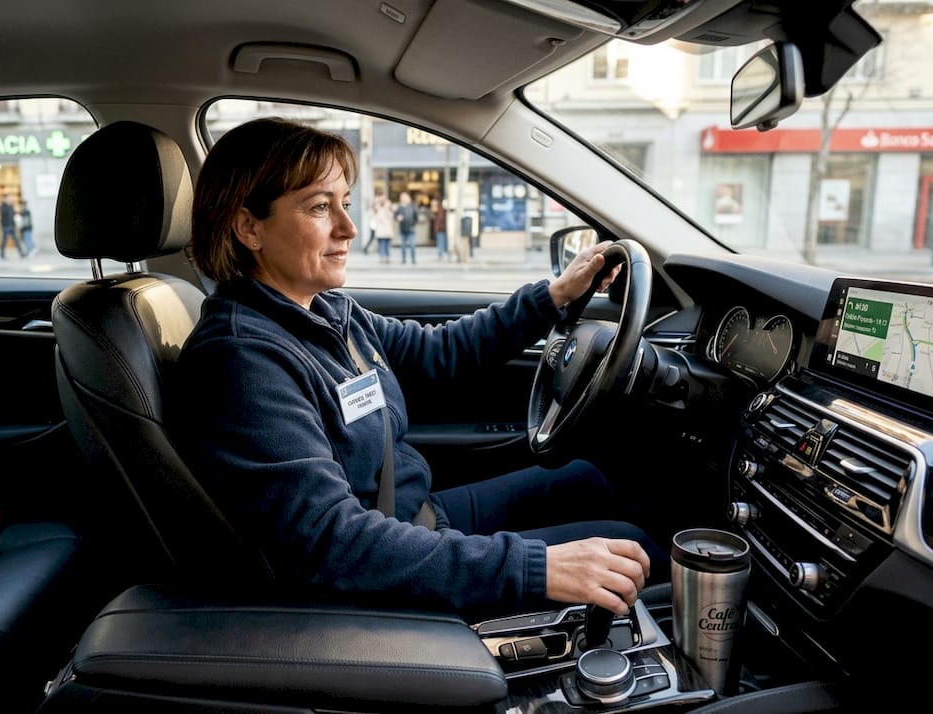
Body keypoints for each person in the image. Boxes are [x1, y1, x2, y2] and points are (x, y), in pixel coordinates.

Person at [179, 117, 665, 625]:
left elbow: (438, 351)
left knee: (586, 479)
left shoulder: (325, 312)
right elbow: (332, 541)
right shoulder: (242, 360)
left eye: (345, 204)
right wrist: (535, 569)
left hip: (418, 517)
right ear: (248, 227)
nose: (348, 227)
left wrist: (552, 297)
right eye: (320, 207)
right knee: (631, 550)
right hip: (381, 567)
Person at [0, 191, 25, 259]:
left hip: (12, 225)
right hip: (5, 226)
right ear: (6, 198)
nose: (11, 199)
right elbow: (3, 214)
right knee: (4, 241)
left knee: (16, 240)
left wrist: (17, 213)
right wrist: (8, 205)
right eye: (9, 197)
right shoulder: (3, 206)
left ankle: (21, 253)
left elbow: (13, 214)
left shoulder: (11, 205)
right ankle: (2, 254)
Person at [394, 190, 418, 264]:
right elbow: (395, 216)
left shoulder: (413, 206)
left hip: (411, 229)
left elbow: (416, 217)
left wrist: (413, 224)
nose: (404, 199)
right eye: (402, 198)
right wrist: (397, 218)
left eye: (405, 197)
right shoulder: (399, 207)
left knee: (412, 245)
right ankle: (403, 259)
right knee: (403, 246)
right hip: (403, 229)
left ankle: (413, 259)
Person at [370, 193, 394, 264]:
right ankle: (382, 257)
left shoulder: (389, 208)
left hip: (387, 230)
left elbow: (391, 217)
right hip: (380, 230)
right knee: (382, 244)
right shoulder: (377, 208)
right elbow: (377, 217)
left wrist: (387, 209)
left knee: (387, 245)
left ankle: (387, 257)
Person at [431, 196, 448, 261]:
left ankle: (441, 254)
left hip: (442, 229)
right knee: (441, 242)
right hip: (440, 229)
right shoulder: (439, 210)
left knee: (442, 242)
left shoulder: (442, 210)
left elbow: (440, 220)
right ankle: (441, 254)